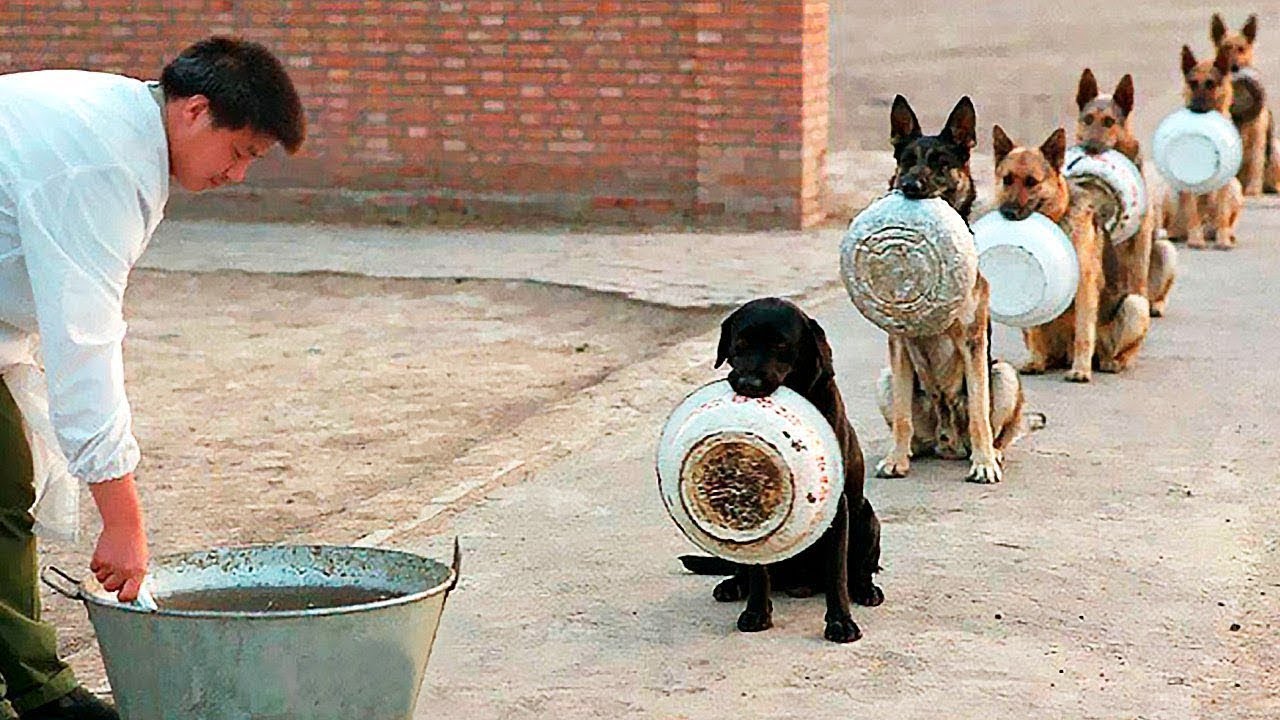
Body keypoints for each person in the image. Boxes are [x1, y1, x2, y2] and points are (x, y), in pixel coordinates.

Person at [0, 37, 304, 719]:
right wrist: (123, 522)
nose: (237, 176)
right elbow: (85, 345)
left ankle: (39, 691)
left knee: (4, 484)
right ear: (195, 111)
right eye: (239, 152)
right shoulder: (99, 163)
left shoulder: (123, 129)